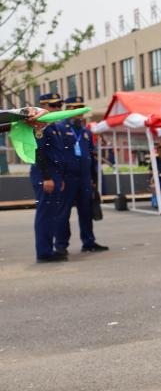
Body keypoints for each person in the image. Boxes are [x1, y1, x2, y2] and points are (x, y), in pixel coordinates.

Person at [55, 100, 108, 254]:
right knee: (63, 213)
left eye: (81, 111)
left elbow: (91, 156)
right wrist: (59, 177)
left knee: (86, 212)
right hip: (67, 177)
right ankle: (61, 245)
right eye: (77, 111)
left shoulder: (85, 131)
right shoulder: (60, 128)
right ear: (69, 111)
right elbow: (57, 154)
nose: (80, 115)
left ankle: (89, 242)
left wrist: (93, 179)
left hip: (84, 178)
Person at [30, 93, 70, 263]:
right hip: (44, 173)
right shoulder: (40, 126)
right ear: (43, 106)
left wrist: (59, 177)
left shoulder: (54, 127)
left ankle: (48, 248)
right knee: (45, 214)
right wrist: (47, 177)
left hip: (54, 174)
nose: (57, 109)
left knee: (52, 214)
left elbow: (58, 155)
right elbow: (38, 152)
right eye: (53, 106)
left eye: (59, 105)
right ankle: (44, 252)